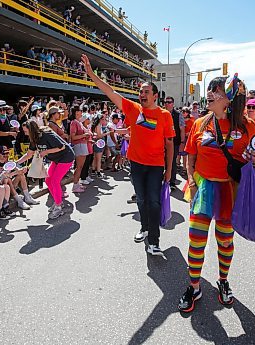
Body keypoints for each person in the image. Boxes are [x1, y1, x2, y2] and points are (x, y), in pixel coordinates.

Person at [178, 75, 255, 313]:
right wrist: (192, 183)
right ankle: (194, 286)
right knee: (196, 241)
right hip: (203, 187)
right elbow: (190, 158)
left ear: (229, 99)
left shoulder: (248, 126)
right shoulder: (200, 123)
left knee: (225, 241)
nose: (209, 95)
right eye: (209, 90)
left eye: (216, 91)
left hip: (229, 189)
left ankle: (223, 281)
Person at [81, 54, 174, 255]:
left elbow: (169, 143)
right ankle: (144, 228)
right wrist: (91, 74)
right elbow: (110, 91)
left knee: (153, 200)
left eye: (146, 91)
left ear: (155, 95)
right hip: (137, 164)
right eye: (140, 91)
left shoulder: (165, 115)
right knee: (141, 199)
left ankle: (155, 241)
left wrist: (169, 170)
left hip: (157, 165)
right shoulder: (133, 109)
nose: (142, 94)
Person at [16, 120, 75, 219]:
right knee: (48, 180)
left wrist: (46, 151)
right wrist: (16, 163)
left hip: (66, 157)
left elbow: (61, 146)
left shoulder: (46, 134)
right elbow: (29, 154)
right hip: (56, 159)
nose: (25, 133)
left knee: (55, 181)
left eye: (26, 131)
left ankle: (58, 206)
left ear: (31, 130)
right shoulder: (34, 139)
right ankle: (58, 202)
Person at [164, 96, 185, 187]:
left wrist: (182, 143)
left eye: (169, 102)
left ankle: (172, 182)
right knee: (162, 161)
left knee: (172, 161)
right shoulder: (161, 113)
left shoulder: (178, 114)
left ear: (173, 103)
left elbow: (182, 129)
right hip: (162, 142)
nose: (167, 104)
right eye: (165, 102)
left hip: (174, 142)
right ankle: (163, 180)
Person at [69, 106, 91, 192]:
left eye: (80, 112)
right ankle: (75, 185)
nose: (80, 113)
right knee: (79, 167)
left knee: (80, 167)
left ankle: (77, 184)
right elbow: (73, 137)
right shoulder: (74, 122)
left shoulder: (78, 122)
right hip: (79, 145)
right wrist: (84, 135)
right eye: (78, 112)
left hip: (83, 145)